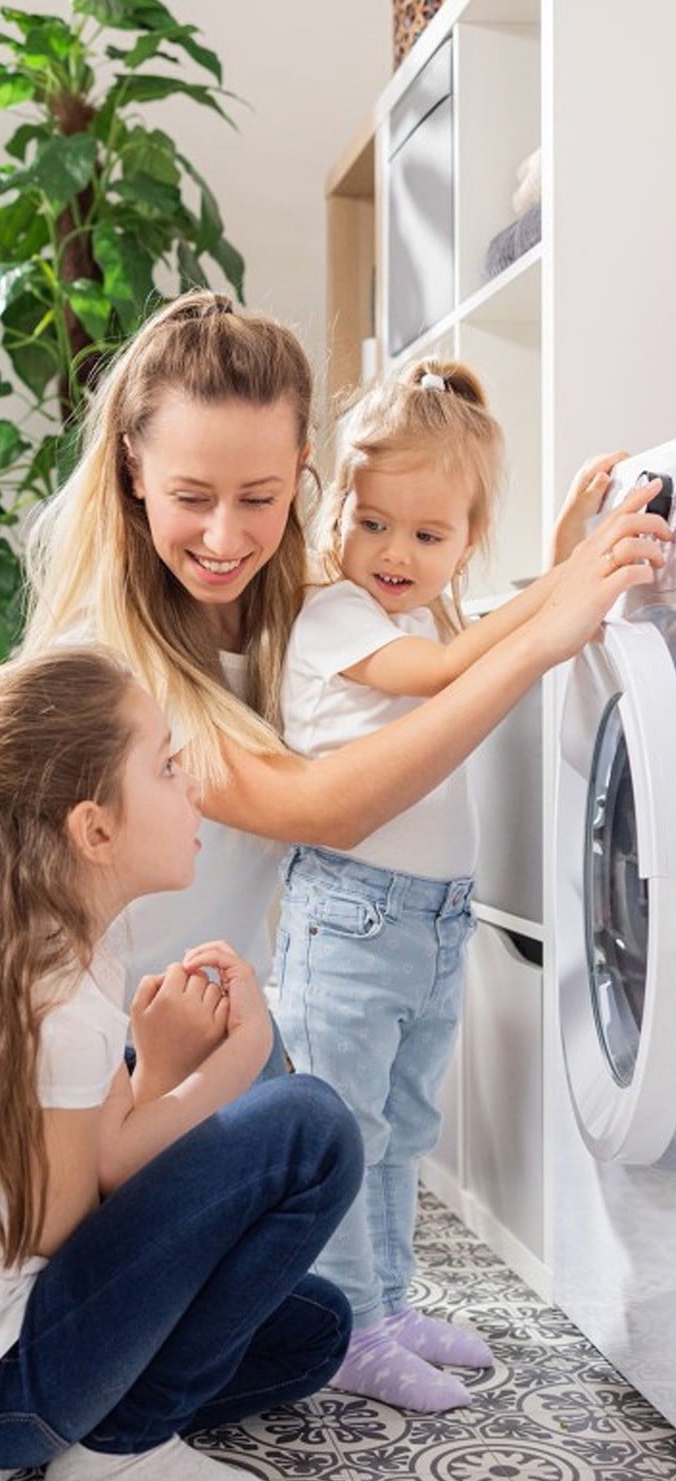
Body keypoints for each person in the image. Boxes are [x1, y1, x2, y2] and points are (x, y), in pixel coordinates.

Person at [25, 290, 668, 1068]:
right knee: (328, 1139)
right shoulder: (106, 665)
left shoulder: (300, 611)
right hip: (100, 1055)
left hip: (215, 1027)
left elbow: (425, 614)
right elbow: (317, 806)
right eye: (191, 498)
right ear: (133, 471)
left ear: (302, 472)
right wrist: (540, 634)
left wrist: (559, 572)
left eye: (258, 498)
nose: (225, 537)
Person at [0, 646, 364, 1481]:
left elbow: (74, 1186)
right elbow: (69, 1223)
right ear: (94, 831)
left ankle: (7, 1454)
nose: (191, 779)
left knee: (314, 1330)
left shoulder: (46, 952)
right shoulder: (51, 999)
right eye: (165, 764)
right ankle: (120, 1453)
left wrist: (157, 1073)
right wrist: (223, 1069)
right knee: (308, 1127)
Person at [271, 360, 646, 1410]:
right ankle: (341, 1325)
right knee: (349, 1133)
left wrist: (564, 553)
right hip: (349, 916)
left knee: (401, 1125)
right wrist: (558, 603)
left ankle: (383, 1305)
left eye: (429, 537)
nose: (395, 554)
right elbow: (449, 677)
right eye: (373, 521)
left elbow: (473, 630)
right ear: (337, 506)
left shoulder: (426, 614)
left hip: (425, 925)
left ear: (465, 543)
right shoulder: (334, 613)